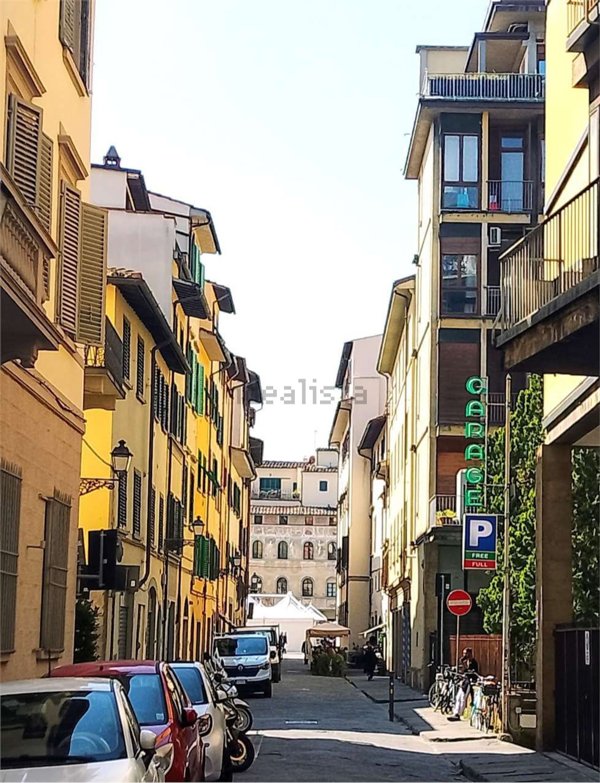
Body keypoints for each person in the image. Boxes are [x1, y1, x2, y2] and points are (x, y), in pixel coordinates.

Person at [447, 647, 479, 721]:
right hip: (464, 682)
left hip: (469, 682)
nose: (464, 655)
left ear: (470, 654)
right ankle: (455, 712)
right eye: (464, 653)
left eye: (465, 653)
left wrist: (467, 672)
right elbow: (464, 671)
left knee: (463, 698)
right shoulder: (466, 662)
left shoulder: (473, 662)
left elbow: (472, 672)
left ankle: (459, 714)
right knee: (458, 697)